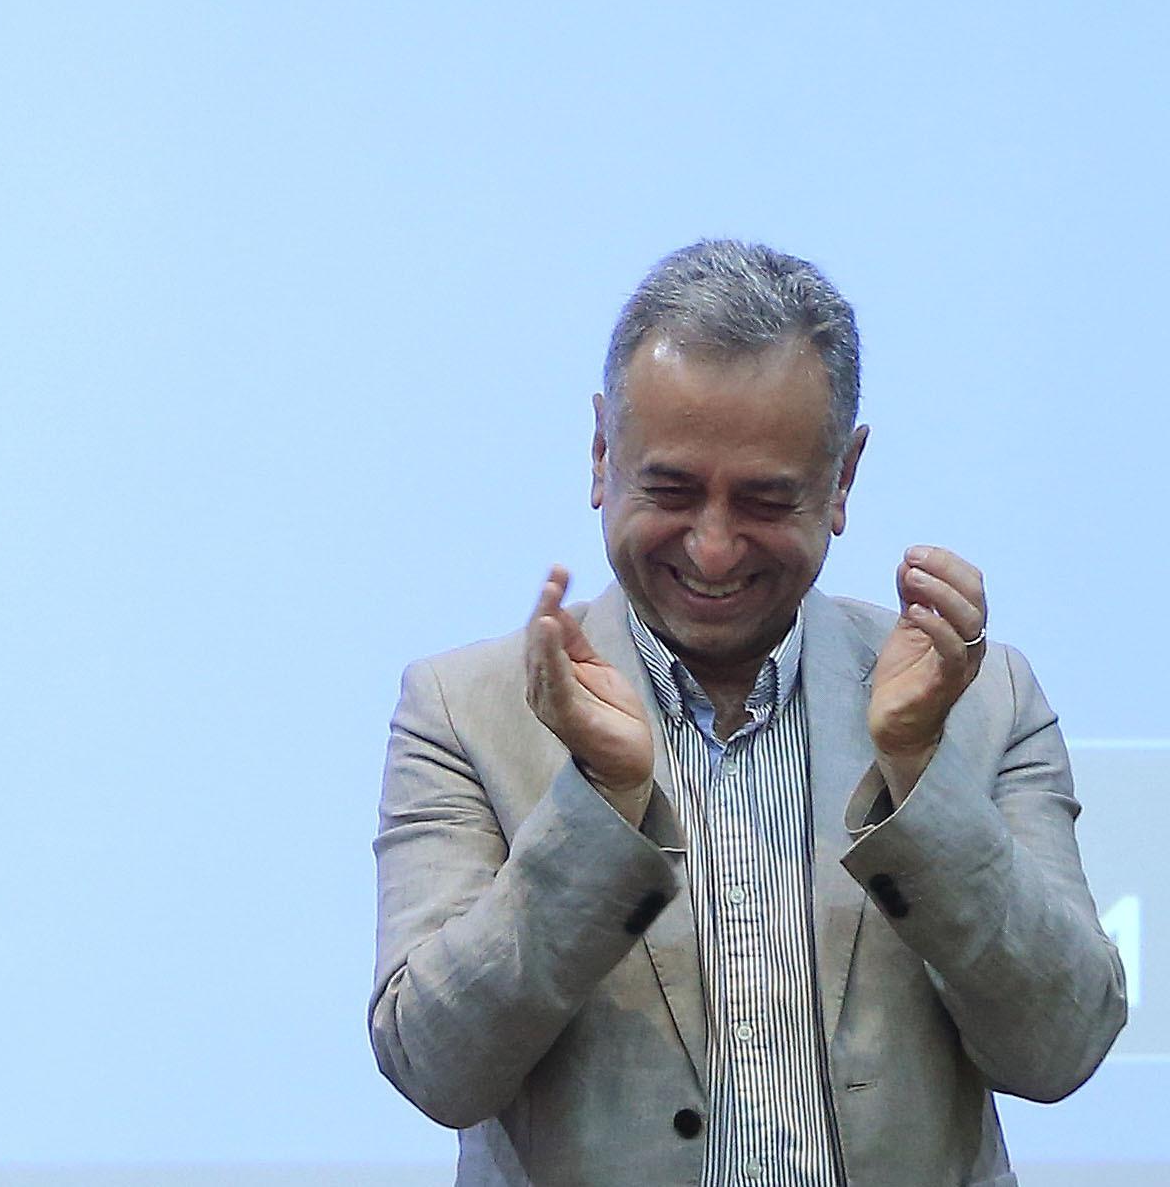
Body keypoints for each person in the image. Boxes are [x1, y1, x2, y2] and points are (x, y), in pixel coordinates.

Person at [370, 240, 1125, 1185]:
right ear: (601, 453)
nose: (715, 549)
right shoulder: (462, 709)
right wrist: (600, 802)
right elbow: (435, 1065)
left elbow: (1062, 1046)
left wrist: (918, 771)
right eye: (672, 490)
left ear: (842, 479)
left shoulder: (983, 693)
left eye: (767, 500)